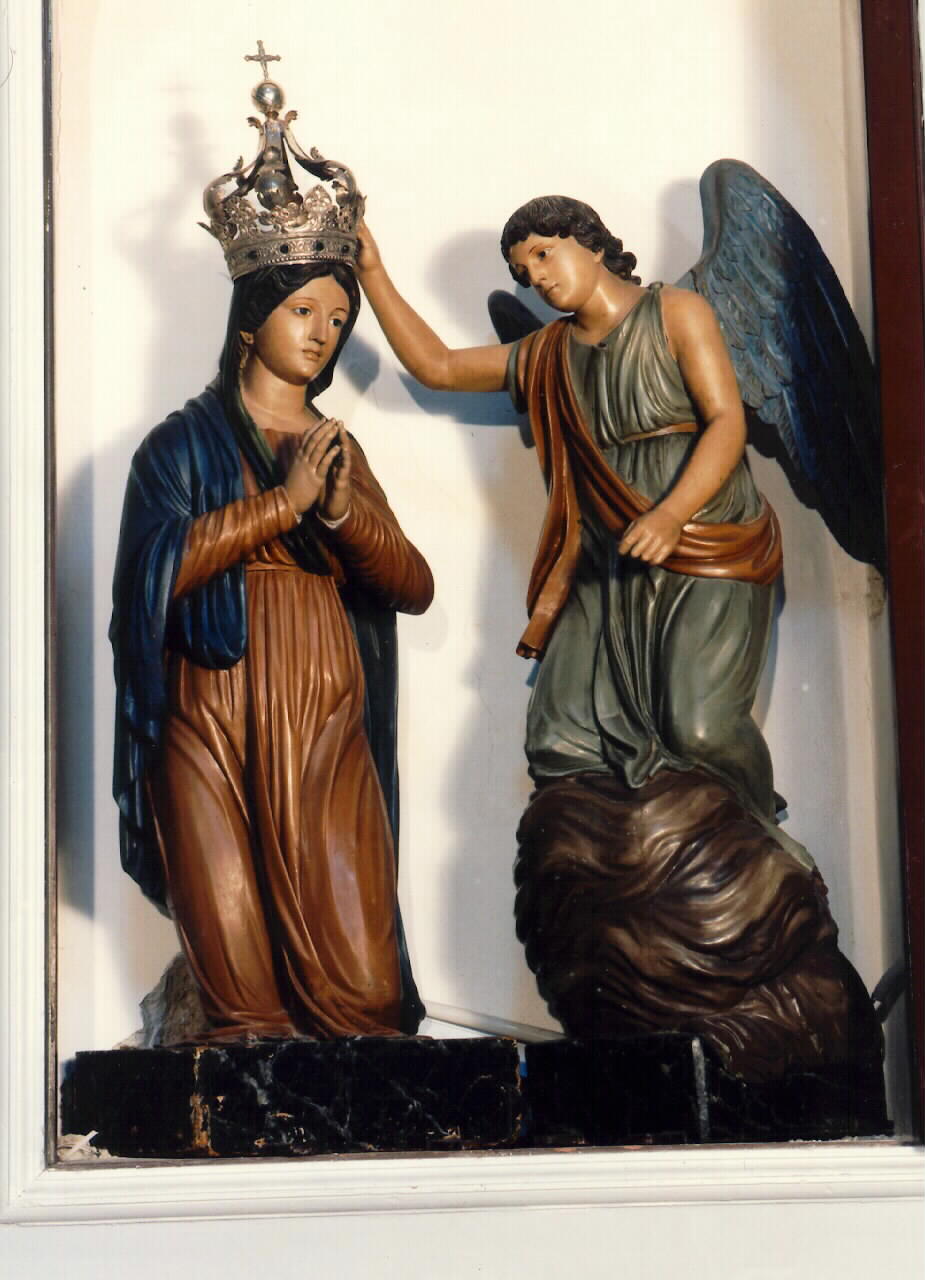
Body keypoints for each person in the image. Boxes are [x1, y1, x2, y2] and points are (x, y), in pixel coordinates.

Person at [355, 197, 883, 1081]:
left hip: (706, 539)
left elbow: (725, 421)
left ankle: (764, 836)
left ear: (590, 242)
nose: (536, 279)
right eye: (522, 271)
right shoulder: (549, 354)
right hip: (605, 560)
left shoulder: (677, 312)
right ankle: (618, 930)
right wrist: (369, 267)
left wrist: (671, 515)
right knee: (557, 737)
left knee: (700, 728)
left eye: (544, 254)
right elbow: (437, 365)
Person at [111, 256, 433, 1042]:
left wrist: (340, 516)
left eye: (337, 318)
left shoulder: (337, 451)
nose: (323, 333)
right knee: (242, 993)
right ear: (250, 325)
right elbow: (152, 575)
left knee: (366, 997)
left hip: (321, 698)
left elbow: (412, 584)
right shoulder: (178, 445)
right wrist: (280, 505)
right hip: (211, 697)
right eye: (303, 311)